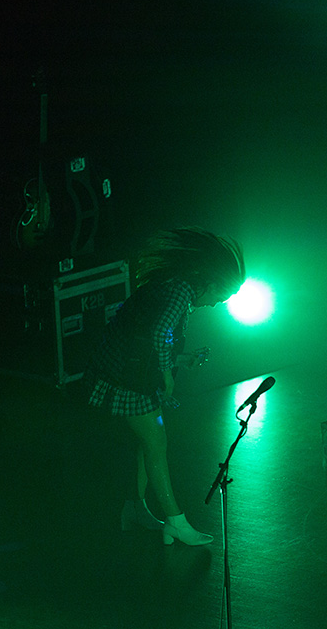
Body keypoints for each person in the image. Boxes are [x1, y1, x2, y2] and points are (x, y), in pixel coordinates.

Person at [86, 227, 246, 546]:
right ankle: (175, 521)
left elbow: (159, 334)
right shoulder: (179, 294)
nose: (216, 304)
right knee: (157, 443)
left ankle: (135, 508)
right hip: (127, 380)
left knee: (148, 442)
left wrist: (180, 358)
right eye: (220, 297)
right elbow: (160, 333)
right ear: (211, 284)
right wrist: (167, 374)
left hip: (125, 373)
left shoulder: (175, 290)